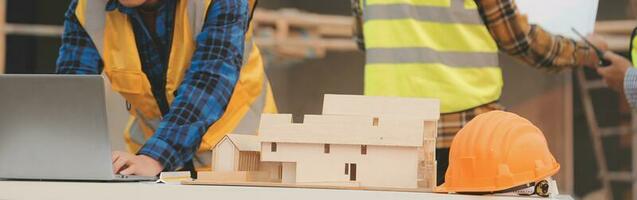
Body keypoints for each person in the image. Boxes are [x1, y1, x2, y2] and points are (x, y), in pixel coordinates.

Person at [351, 0, 605, 184]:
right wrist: (584, 52)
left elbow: (363, 39)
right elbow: (520, 40)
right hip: (466, 136)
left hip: (386, 135)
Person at [56, 0, 277, 176]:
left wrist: (155, 157)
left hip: (240, 162)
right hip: (151, 168)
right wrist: (57, 152)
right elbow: (72, 95)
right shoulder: (87, 9)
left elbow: (208, 83)